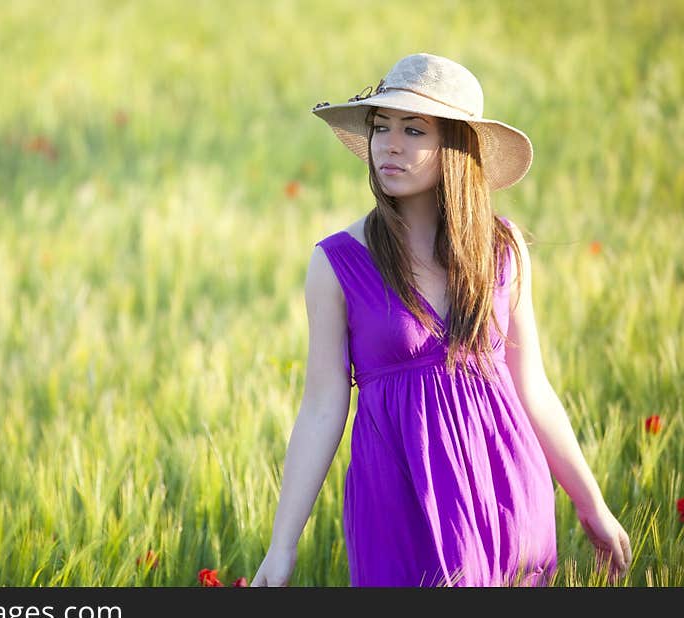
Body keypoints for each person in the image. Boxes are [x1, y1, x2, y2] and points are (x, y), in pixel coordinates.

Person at [250, 53, 632, 587]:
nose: (390, 144)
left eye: (413, 129)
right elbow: (320, 407)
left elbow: (533, 387)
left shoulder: (503, 249)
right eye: (381, 127)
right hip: (398, 504)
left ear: (455, 146)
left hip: (505, 491)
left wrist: (592, 505)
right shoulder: (336, 264)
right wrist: (282, 545)